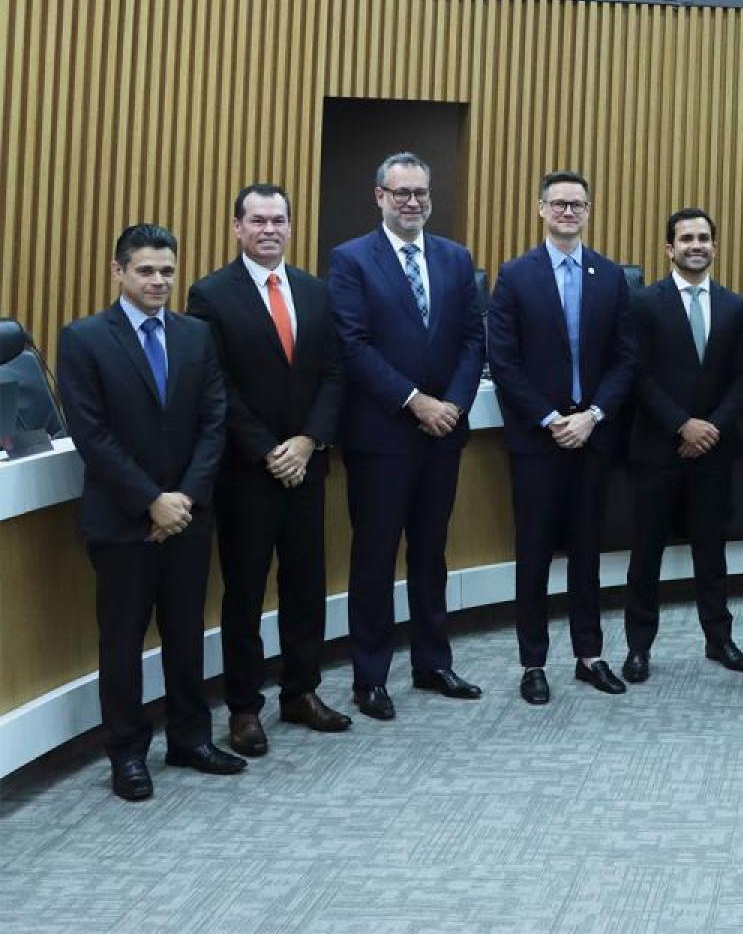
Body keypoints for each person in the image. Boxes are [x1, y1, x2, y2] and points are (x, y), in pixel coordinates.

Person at [58, 223, 243, 801]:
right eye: (145, 270)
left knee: (186, 634)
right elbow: (92, 434)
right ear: (119, 272)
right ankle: (128, 754)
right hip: (122, 521)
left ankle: (190, 738)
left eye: (166, 270)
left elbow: (214, 420)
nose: (158, 280)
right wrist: (151, 501)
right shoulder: (85, 338)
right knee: (123, 642)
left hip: (188, 516)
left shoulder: (196, 335)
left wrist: (183, 498)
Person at [186, 185, 351, 756]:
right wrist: (268, 450)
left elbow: (334, 373)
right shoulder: (210, 295)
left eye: (278, 220)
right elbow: (216, 386)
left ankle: (301, 692)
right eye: (257, 221)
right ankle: (244, 708)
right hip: (247, 473)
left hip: (307, 466)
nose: (269, 230)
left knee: (306, 585)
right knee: (245, 593)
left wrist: (307, 442)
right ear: (237, 227)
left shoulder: (315, 291)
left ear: (290, 226)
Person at [328, 151, 487, 719]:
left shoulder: (454, 257)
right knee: (374, 559)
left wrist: (454, 406)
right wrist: (416, 401)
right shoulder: (350, 260)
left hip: (442, 434)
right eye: (402, 193)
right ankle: (370, 677)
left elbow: (473, 338)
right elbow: (353, 345)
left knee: (430, 553)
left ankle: (433, 661)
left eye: (420, 192)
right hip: (382, 437)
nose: (413, 202)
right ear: (380, 197)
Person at [487, 171, 638, 705]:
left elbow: (625, 358)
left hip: (592, 436)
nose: (568, 211)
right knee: (533, 555)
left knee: (588, 553)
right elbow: (503, 360)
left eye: (577, 204)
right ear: (541, 209)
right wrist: (551, 419)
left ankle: (589, 655)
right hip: (538, 441)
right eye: (558, 203)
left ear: (589, 211)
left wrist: (592, 415)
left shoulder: (611, 276)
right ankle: (533, 663)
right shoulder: (515, 275)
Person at [625, 207, 743, 680]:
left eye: (703, 238)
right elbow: (637, 373)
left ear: (714, 247)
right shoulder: (643, 303)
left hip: (714, 451)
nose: (696, 245)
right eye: (686, 239)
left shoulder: (734, 306)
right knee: (647, 554)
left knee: (712, 552)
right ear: (669, 249)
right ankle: (639, 647)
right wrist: (682, 425)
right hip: (657, 449)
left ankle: (719, 639)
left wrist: (711, 428)